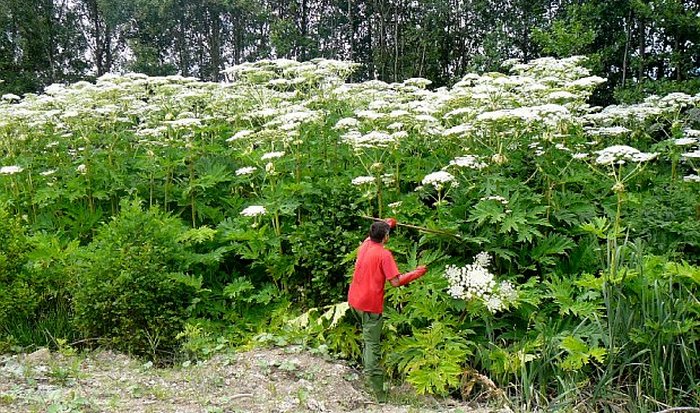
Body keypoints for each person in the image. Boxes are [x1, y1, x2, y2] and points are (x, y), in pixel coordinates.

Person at [347, 218, 428, 402]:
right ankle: (378, 395)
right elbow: (396, 282)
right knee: (372, 346)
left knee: (367, 339)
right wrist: (418, 272)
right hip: (370, 307)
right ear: (386, 237)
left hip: (354, 301)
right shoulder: (384, 255)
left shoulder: (366, 244)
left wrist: (388, 223)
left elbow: (377, 232)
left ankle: (365, 374)